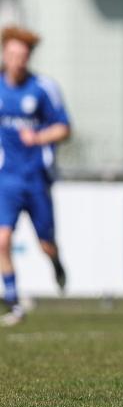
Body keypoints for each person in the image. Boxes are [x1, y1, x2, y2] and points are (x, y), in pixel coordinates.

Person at [0, 26, 71, 326]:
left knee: (45, 244)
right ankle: (14, 303)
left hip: (37, 179)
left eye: (23, 55)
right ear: (5, 54)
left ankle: (55, 261)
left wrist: (39, 138)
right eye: (13, 54)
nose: (18, 60)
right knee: (2, 241)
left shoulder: (43, 88)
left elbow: (64, 128)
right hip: (7, 179)